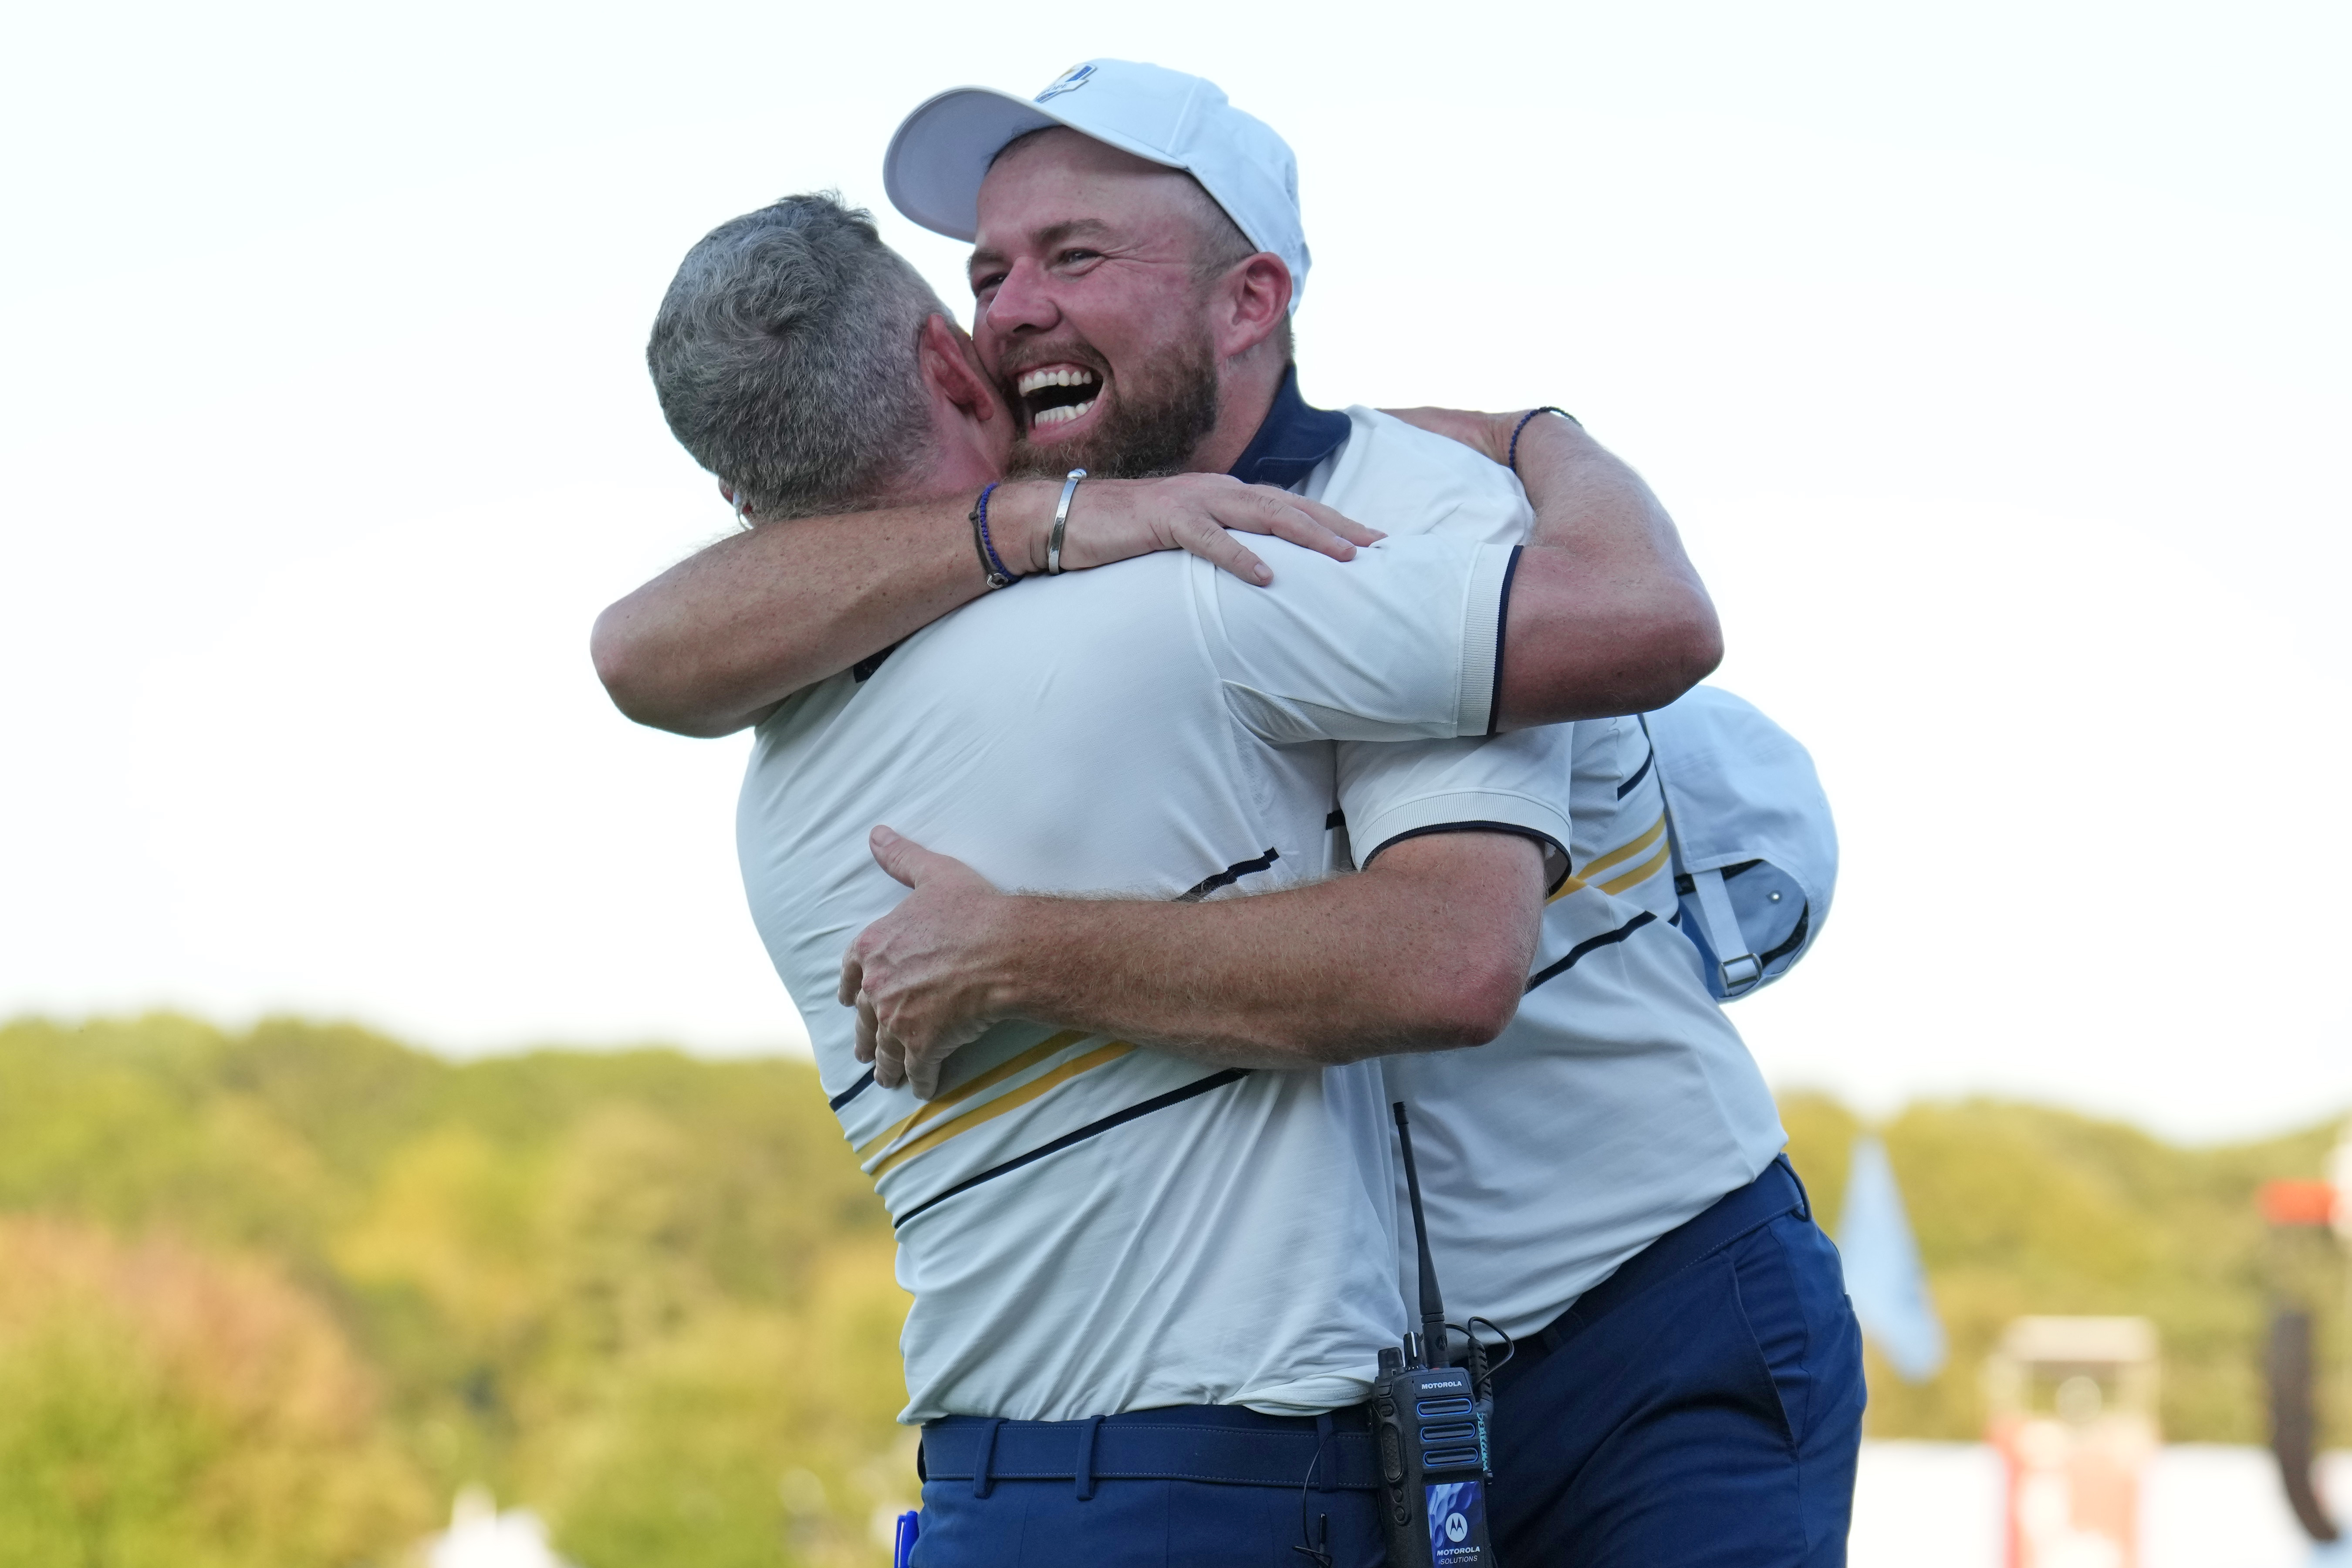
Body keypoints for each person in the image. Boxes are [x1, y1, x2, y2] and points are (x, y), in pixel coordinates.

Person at [602, 60, 1862, 1566]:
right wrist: (1036, 518)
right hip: (1384, 1415)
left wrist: (1544, 439)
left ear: (1250, 298)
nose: (1009, 313)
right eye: (989, 275)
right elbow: (642, 645)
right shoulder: (1039, 560)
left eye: (1074, 257)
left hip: (1643, 1314)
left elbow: (1459, 944)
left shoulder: (1418, 511)